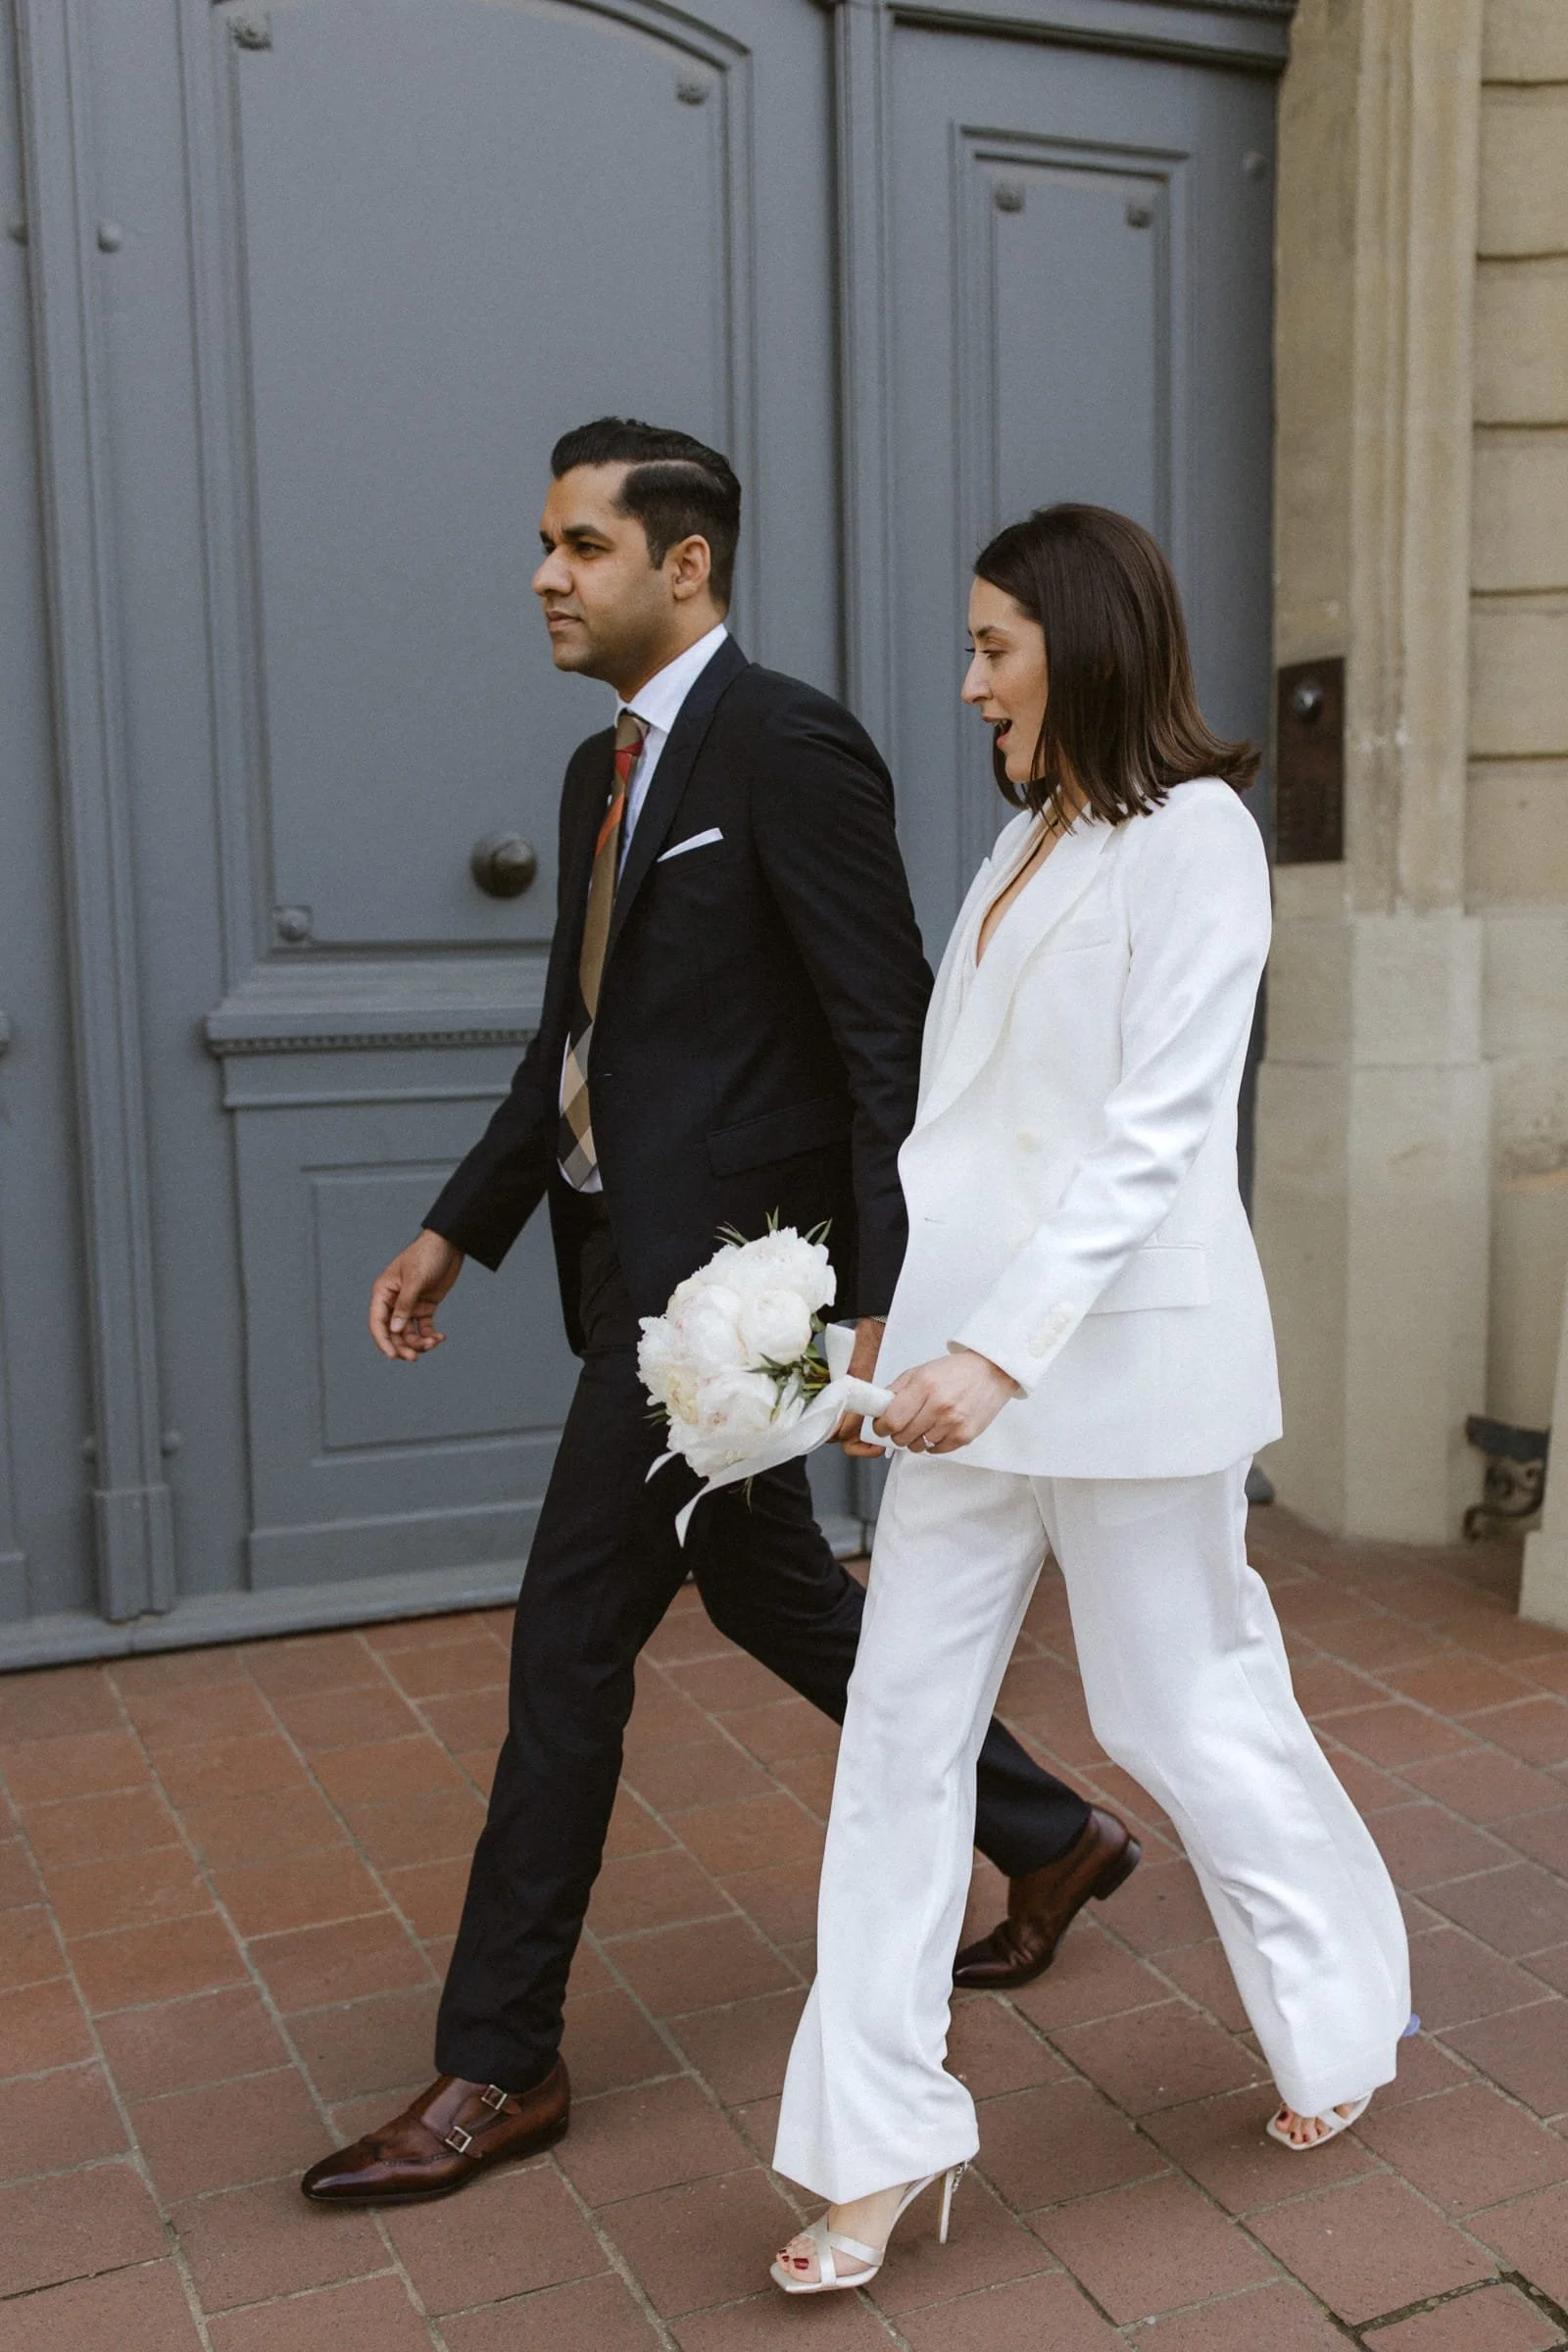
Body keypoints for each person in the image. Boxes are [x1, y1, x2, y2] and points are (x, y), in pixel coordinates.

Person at [301, 424, 1134, 2208]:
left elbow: (885, 1039)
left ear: (684, 565)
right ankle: (1055, 1832)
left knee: (566, 1639)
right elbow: (579, 1041)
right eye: (546, 543)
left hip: (734, 1306)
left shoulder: (787, 744)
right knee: (767, 1590)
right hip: (627, 1275)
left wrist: (880, 1310)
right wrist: (460, 1227)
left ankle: (499, 2060)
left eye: (583, 546)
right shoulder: (597, 772)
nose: (547, 575)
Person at [769, 505, 1410, 2295]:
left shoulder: (1198, 836)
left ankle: (1339, 2014)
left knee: (1178, 1709)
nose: (970, 682)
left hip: (1121, 1363)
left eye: (996, 647)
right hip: (961, 1380)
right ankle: (875, 2146)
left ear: (1087, 643)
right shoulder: (1020, 842)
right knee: (898, 1738)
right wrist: (900, 1337)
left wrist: (1003, 1348)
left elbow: (1158, 1131)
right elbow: (961, 1140)